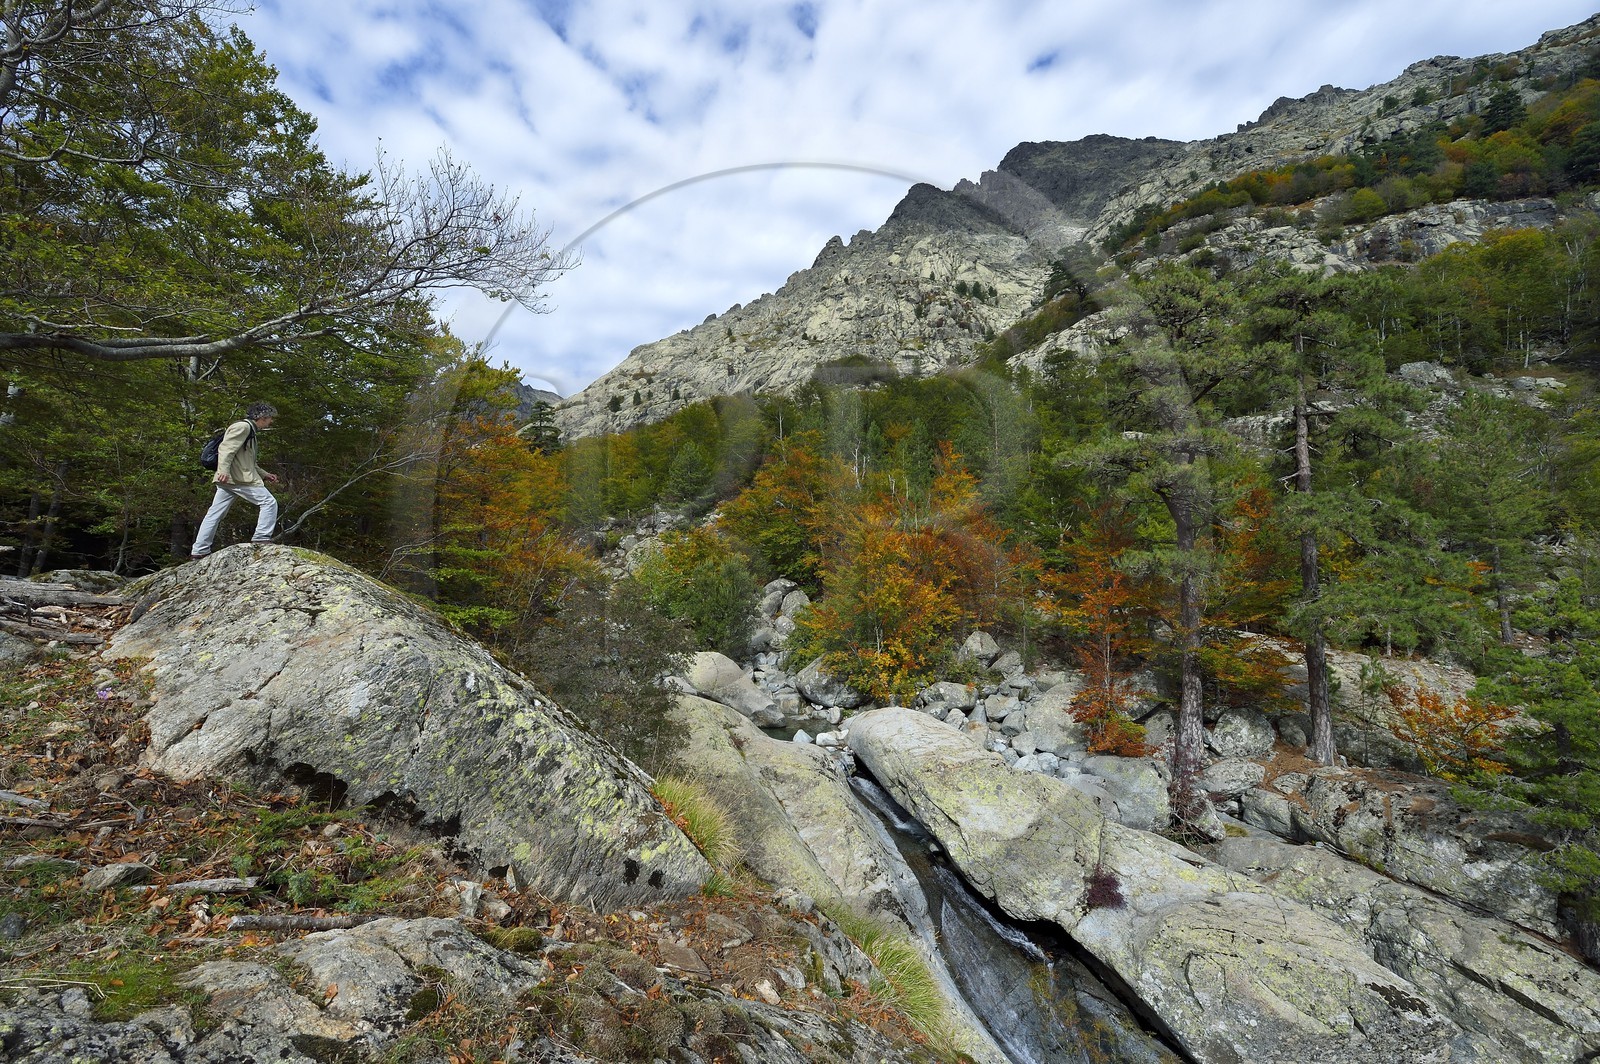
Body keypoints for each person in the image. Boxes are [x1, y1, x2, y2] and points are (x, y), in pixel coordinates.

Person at [190, 402, 281, 560]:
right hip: (237, 479)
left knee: (214, 514)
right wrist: (223, 471)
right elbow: (226, 449)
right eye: (270, 418)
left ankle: (199, 550)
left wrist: (265, 474)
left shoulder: (250, 431)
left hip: (231, 478)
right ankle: (261, 538)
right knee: (269, 502)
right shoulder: (243, 428)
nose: (271, 422)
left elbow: (248, 461)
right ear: (262, 417)